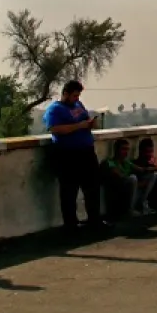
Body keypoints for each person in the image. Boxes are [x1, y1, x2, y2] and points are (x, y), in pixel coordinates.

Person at [44, 80, 105, 231]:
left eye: (78, 95)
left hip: (86, 151)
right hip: (68, 154)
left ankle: (94, 221)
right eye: (74, 96)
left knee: (92, 188)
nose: (77, 98)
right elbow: (54, 129)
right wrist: (79, 126)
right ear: (65, 93)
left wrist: (90, 124)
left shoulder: (79, 105)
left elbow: (86, 121)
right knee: (69, 191)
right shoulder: (55, 109)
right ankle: (71, 225)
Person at [101, 139, 153, 220]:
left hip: (129, 193)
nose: (126, 152)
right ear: (116, 150)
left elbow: (142, 169)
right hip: (118, 196)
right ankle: (129, 210)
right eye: (123, 149)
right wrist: (138, 184)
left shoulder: (127, 162)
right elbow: (120, 176)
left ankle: (141, 205)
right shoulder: (109, 162)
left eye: (127, 149)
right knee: (133, 178)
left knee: (151, 176)